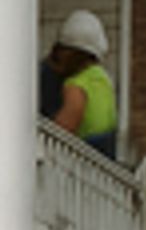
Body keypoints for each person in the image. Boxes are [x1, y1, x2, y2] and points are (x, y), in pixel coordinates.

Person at [41, 10, 118, 158]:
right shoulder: (104, 79)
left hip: (81, 167)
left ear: (72, 54)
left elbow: (61, 133)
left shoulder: (76, 85)